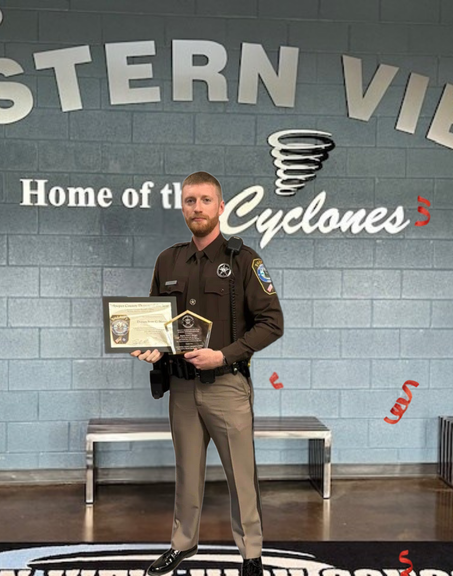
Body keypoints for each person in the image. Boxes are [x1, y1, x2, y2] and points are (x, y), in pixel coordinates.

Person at [132, 171, 284, 576]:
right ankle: (182, 545)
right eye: (189, 201)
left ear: (220, 207)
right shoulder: (168, 259)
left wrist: (223, 355)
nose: (196, 208)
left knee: (241, 474)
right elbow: (153, 322)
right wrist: (149, 348)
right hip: (181, 387)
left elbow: (271, 323)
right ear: (182, 207)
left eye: (204, 200)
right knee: (187, 471)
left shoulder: (243, 259)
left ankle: (251, 554)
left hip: (227, 386)